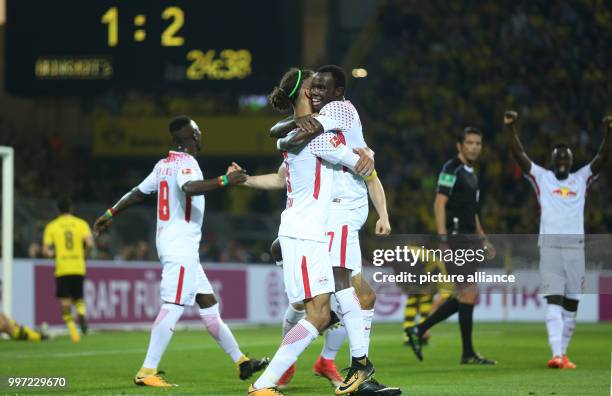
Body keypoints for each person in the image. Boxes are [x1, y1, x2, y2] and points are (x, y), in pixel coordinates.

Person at [93, 116, 268, 388]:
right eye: (198, 129)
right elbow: (189, 188)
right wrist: (226, 179)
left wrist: (110, 212)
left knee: (209, 304)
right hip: (180, 246)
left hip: (178, 246)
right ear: (193, 136)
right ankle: (147, 371)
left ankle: (242, 361)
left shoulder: (163, 165)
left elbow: (138, 193)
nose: (201, 132)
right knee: (173, 305)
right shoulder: (187, 164)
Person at [268, 65, 400, 395]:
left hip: (342, 216)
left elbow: (367, 170)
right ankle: (357, 370)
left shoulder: (338, 112)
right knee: (341, 297)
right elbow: (288, 145)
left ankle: (329, 364)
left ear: (338, 93)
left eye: (323, 87)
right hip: (335, 215)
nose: (317, 92)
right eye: (314, 87)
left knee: (334, 302)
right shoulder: (323, 134)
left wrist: (383, 213)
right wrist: (286, 133)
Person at [505, 110, 611, 369]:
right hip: (550, 247)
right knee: (554, 297)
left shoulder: (581, 178)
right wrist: (510, 128)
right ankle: (555, 354)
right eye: (558, 157)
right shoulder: (542, 177)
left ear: (571, 161)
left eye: (566, 157)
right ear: (552, 161)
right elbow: (520, 156)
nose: (562, 160)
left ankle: (563, 354)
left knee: (572, 301)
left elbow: (602, 157)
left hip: (576, 249)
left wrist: (610, 132)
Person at [405, 127, 496, 365]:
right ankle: (466, 352)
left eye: (478, 143)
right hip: (455, 239)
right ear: (460, 145)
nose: (475, 147)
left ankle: (419, 330)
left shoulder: (472, 174)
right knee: (467, 293)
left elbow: (473, 213)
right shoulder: (451, 169)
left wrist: (483, 238)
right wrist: (443, 239)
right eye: (470, 143)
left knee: (467, 294)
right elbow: (439, 203)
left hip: (469, 239)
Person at [42, 197, 94, 343]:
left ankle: (74, 333)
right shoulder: (81, 224)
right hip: (78, 266)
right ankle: (82, 314)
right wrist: (85, 256)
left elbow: (46, 251)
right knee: (78, 299)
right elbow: (90, 244)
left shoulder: (52, 226)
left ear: (57, 210)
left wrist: (54, 254)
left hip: (62, 267)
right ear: (71, 209)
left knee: (65, 304)